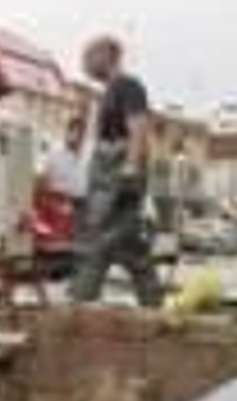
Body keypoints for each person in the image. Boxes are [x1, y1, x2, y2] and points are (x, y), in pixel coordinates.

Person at [69, 36, 162, 307]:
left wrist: (131, 166)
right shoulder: (109, 91)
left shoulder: (127, 85)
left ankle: (81, 299)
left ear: (105, 55)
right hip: (109, 168)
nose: (84, 64)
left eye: (87, 57)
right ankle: (152, 300)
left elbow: (139, 127)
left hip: (118, 170)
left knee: (99, 233)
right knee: (128, 239)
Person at [43, 116, 89, 217]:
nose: (76, 137)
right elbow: (46, 181)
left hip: (78, 204)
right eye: (73, 132)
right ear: (67, 132)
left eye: (80, 134)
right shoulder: (55, 152)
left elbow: (83, 189)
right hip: (56, 199)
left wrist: (72, 205)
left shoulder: (87, 157)